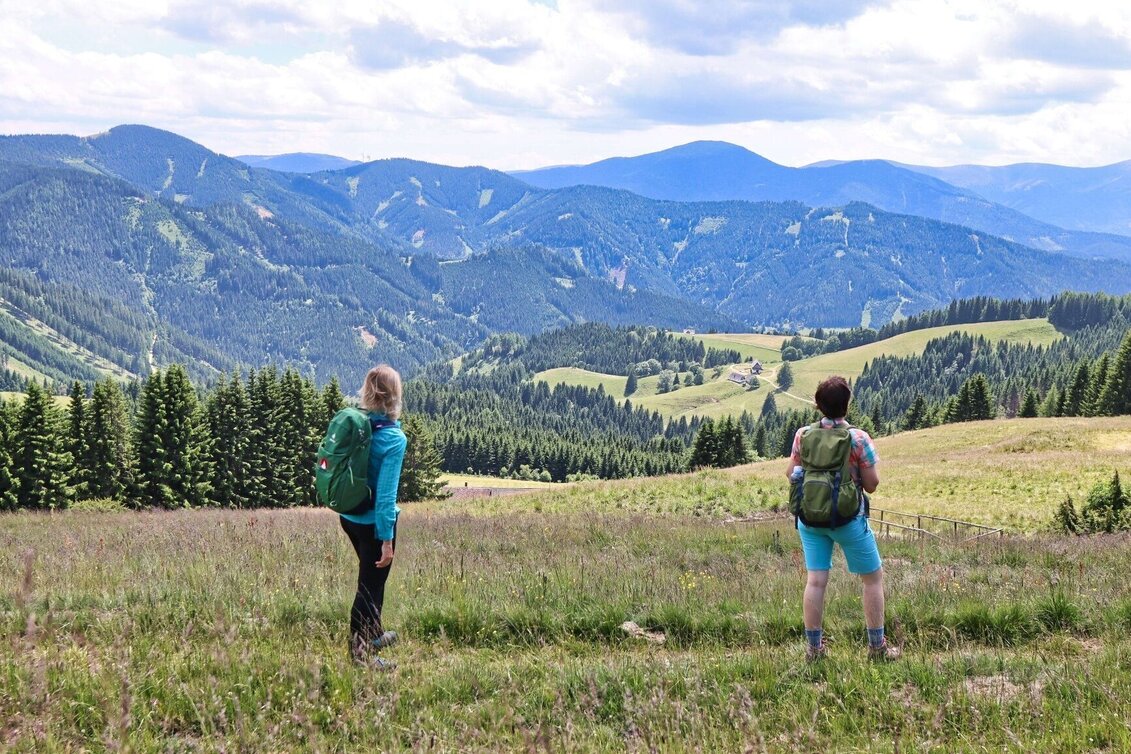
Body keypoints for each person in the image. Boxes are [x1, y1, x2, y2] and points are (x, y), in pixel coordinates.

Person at [785, 375, 900, 662]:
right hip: (849, 519)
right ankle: (877, 648)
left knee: (816, 581)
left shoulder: (803, 435)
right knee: (872, 579)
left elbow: (791, 474)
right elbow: (872, 484)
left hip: (810, 519)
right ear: (847, 405)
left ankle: (814, 651)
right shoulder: (858, 439)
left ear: (817, 405)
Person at [339, 365, 407, 669]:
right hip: (373, 524)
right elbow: (386, 497)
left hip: (349, 516)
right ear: (394, 395)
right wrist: (386, 540)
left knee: (372, 581)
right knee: (370, 587)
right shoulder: (393, 439)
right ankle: (362, 656)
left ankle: (374, 633)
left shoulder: (358, 425)